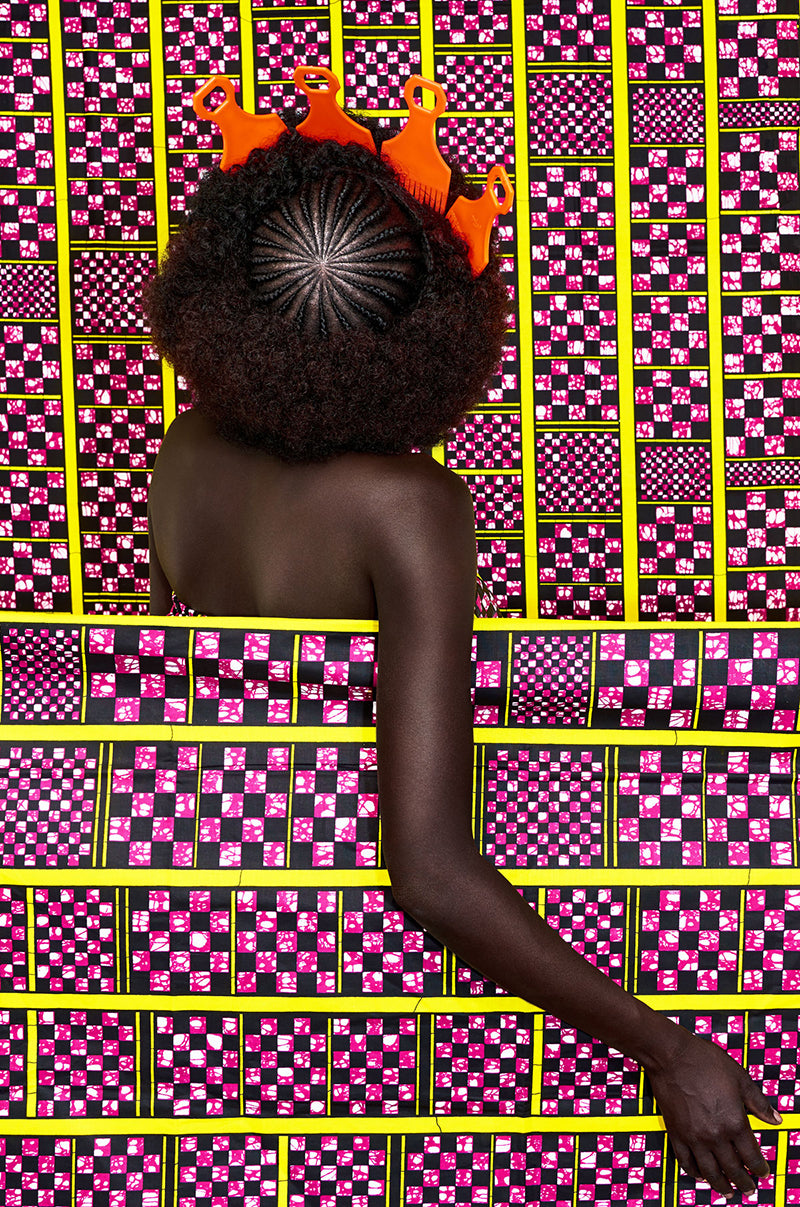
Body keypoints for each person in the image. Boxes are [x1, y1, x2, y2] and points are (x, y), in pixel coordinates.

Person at [145, 95, 780, 1199]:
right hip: (362, 979)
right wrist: (667, 1048)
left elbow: (202, 689)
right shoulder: (408, 508)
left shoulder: (182, 449)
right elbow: (428, 865)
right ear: (431, 319)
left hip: (210, 943)